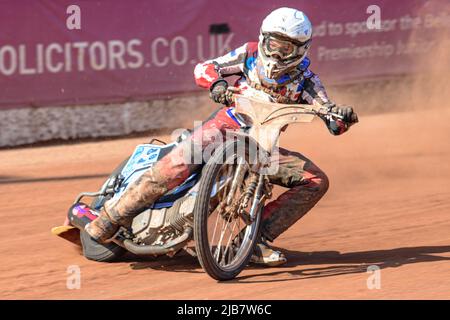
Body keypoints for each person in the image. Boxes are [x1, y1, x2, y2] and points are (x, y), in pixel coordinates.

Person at [85, 7, 358, 266]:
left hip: (263, 148)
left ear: (301, 49)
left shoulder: (308, 82)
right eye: (274, 44)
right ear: (264, 39)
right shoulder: (249, 53)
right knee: (178, 161)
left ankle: (253, 241)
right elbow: (205, 68)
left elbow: (331, 119)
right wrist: (217, 84)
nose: (278, 53)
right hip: (224, 128)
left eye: (286, 48)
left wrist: (342, 118)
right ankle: (110, 218)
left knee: (315, 181)